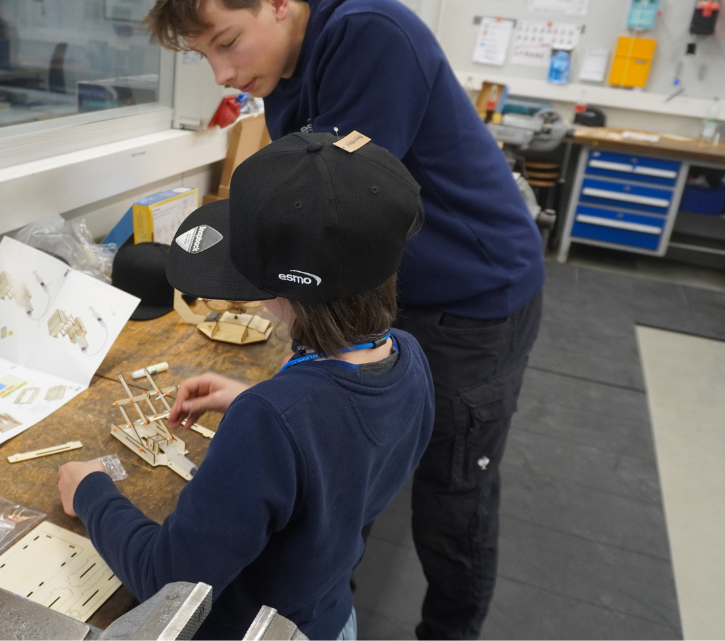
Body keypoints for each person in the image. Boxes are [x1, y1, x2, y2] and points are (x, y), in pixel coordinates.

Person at [144, 1, 546, 638]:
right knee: (347, 477)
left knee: (453, 497)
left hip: (472, 293)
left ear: (279, 3)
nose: (220, 74)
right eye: (203, 56)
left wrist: (280, 408)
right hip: (385, 292)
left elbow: (324, 221)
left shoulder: (368, 35)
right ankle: (329, 614)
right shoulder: (281, 69)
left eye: (226, 42)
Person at [58, 131, 434, 640]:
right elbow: (341, 445)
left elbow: (169, 581)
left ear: (274, 297)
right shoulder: (410, 358)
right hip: (327, 616)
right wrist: (259, 404)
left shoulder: (272, 420)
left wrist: (90, 492)